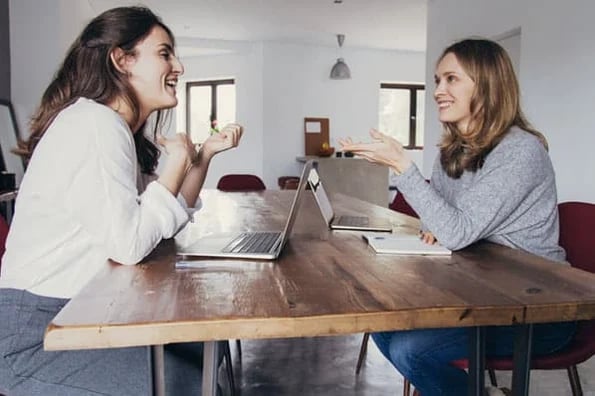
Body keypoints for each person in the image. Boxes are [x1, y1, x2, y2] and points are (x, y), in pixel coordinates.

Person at [0, 6, 242, 395]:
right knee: (184, 380)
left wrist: (204, 156)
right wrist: (177, 161)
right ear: (121, 59)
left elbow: (161, 222)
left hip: (81, 314)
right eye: (164, 53)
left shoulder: (111, 129)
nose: (178, 65)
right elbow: (130, 244)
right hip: (37, 336)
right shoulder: (95, 125)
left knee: (203, 351)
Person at [340, 38, 576, 395]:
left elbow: (456, 230)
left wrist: (403, 168)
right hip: (483, 295)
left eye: (451, 79)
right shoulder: (453, 150)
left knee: (411, 350)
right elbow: (443, 224)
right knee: (381, 325)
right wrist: (446, 225)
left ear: (488, 86)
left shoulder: (520, 152)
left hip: (538, 309)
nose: (438, 90)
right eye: (437, 80)